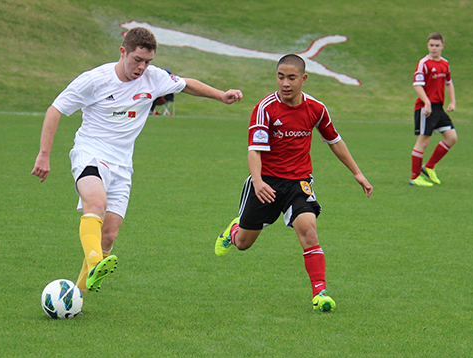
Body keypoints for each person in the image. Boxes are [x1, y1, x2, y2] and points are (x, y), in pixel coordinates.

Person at [31, 27, 243, 294]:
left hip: (123, 164)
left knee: (108, 235)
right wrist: (44, 154)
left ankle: (78, 294)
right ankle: (95, 262)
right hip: (91, 153)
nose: (142, 67)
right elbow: (56, 109)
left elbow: (186, 83)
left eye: (147, 62)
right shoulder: (95, 80)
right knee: (96, 203)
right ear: (123, 52)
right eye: (137, 60)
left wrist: (220, 95)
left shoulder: (154, 78)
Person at [214, 54, 373, 312]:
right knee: (244, 243)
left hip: (299, 182)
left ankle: (320, 294)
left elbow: (334, 140)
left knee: (309, 231)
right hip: (265, 182)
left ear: (303, 79)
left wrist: (357, 173)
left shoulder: (316, 109)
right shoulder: (265, 108)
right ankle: (233, 231)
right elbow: (254, 150)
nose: (285, 83)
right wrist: (257, 182)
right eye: (280, 77)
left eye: (291, 78)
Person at [409, 32, 457, 187]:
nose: (434, 48)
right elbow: (417, 85)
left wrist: (453, 101)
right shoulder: (424, 63)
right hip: (425, 107)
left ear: (442, 46)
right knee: (423, 141)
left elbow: (448, 83)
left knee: (451, 138)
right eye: (431, 45)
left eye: (437, 45)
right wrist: (427, 102)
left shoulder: (445, 63)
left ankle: (429, 167)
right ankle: (415, 177)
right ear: (427, 46)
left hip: (438, 107)